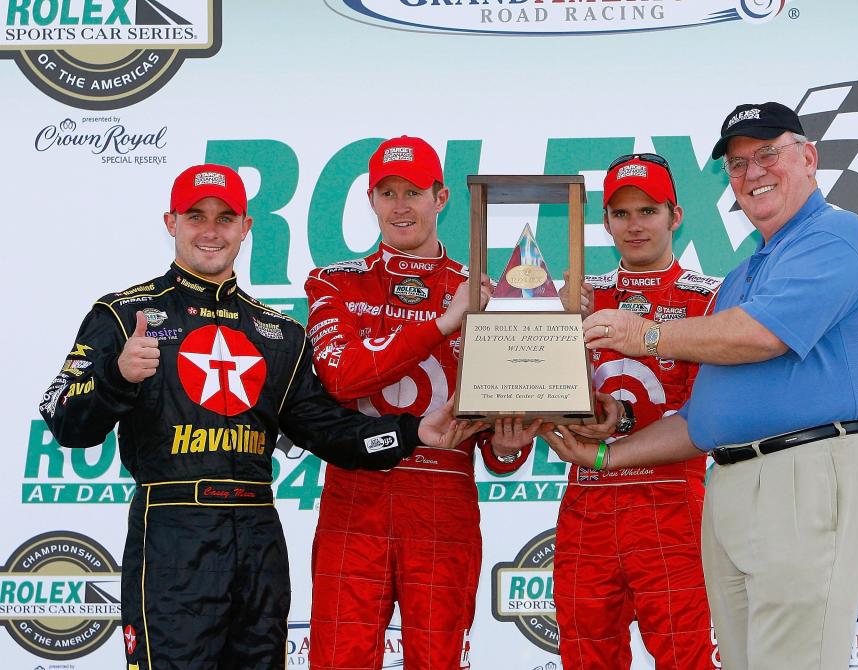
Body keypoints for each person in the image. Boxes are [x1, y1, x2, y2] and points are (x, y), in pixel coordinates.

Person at [39, 163, 477, 670]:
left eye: (226, 218)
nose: (210, 230)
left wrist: (412, 431)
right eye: (196, 216)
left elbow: (330, 433)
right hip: (172, 530)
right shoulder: (124, 314)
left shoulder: (278, 333)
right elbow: (64, 420)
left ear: (246, 228)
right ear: (170, 222)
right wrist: (117, 376)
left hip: (258, 534)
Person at [543, 102, 858, 670]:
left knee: (791, 660)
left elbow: (762, 336)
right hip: (732, 481)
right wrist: (605, 453)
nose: (752, 172)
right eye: (736, 164)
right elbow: (699, 420)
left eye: (767, 155)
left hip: (804, 469)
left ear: (809, 157)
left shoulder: (836, 236)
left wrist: (646, 335)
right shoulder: (742, 275)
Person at [303, 136, 539, 669]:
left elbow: (503, 438)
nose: (401, 205)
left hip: (444, 498)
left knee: (437, 660)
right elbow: (342, 379)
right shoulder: (333, 282)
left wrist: (510, 444)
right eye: (388, 192)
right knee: (338, 659)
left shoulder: (485, 294)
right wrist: (442, 323)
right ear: (371, 199)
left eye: (414, 191)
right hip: (355, 497)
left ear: (441, 196)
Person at [554, 154, 720, 669]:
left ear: (676, 215)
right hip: (587, 505)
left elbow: (705, 417)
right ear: (605, 222)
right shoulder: (579, 296)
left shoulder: (708, 299)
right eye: (621, 213)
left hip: (671, 502)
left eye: (648, 210)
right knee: (586, 658)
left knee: (688, 658)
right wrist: (555, 327)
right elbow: (548, 401)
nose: (634, 225)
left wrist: (619, 427)